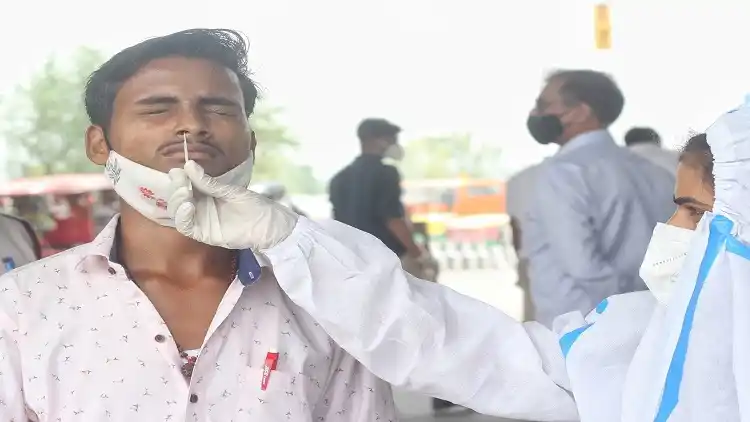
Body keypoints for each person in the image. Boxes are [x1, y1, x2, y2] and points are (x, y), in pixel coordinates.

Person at [0, 29, 398, 421]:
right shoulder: (20, 304)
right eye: (158, 109)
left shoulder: (323, 297)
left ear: (251, 140)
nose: (191, 124)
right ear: (98, 144)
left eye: (221, 109)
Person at [523, 70, 676, 326]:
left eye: (544, 105)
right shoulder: (653, 172)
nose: (536, 114)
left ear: (582, 112)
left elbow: (583, 268)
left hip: (582, 329)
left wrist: (623, 312)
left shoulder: (564, 173)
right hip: (652, 322)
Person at [329, 118, 425, 276]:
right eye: (392, 139)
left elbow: (338, 223)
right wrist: (416, 252)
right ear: (378, 140)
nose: (396, 144)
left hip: (353, 261)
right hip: (388, 259)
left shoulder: (339, 179)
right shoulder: (386, 173)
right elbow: (393, 220)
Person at [505, 162, 543, 321]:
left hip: (530, 258)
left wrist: (520, 256)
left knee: (534, 318)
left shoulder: (518, 180)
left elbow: (515, 227)